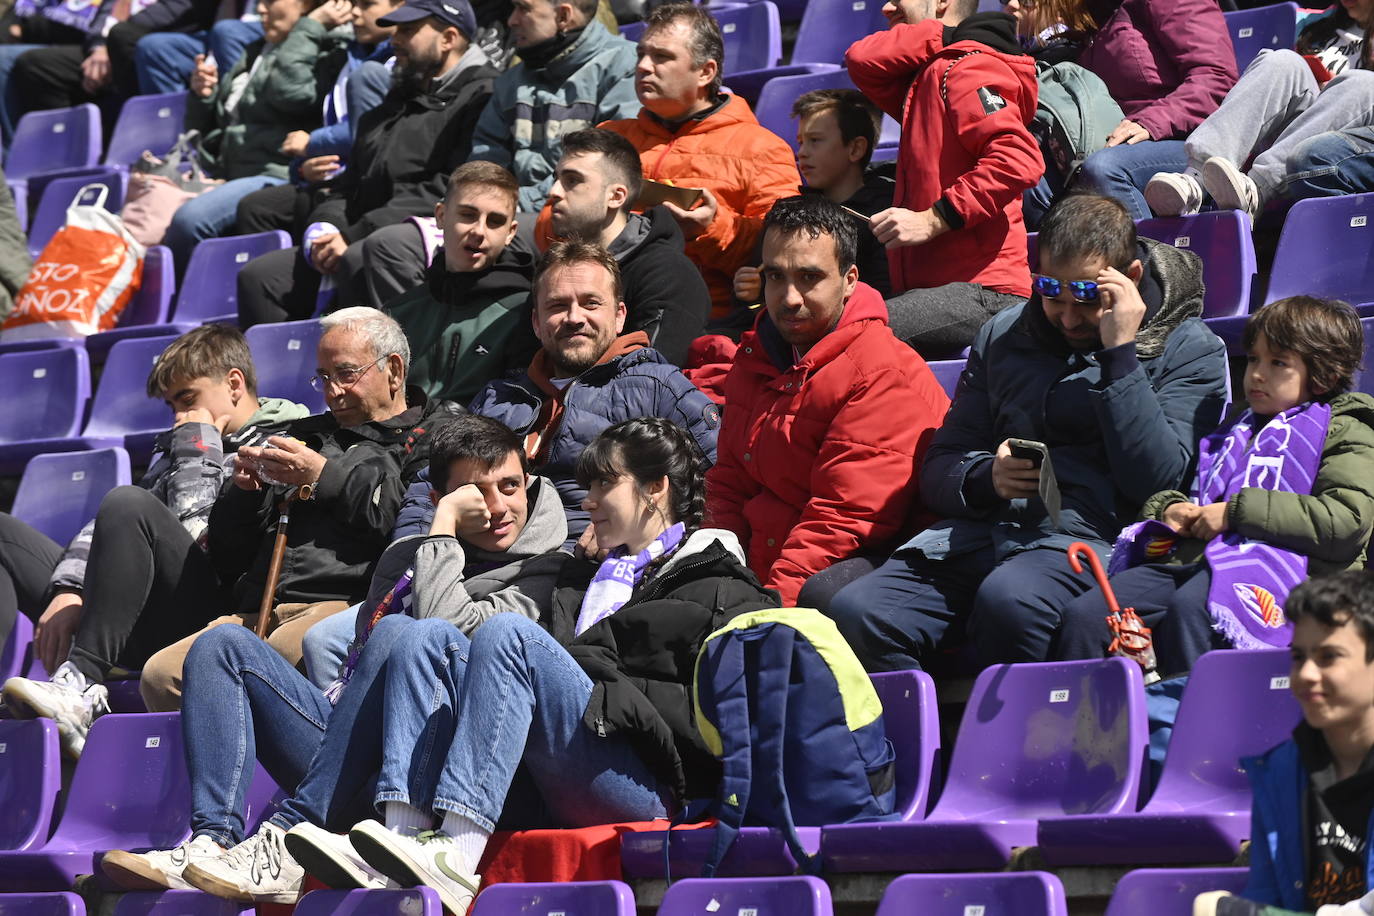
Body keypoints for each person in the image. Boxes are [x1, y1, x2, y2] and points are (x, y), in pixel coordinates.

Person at [280, 417, 779, 914]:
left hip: (650, 785)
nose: (588, 501)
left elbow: (703, 719)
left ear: (656, 487)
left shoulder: (717, 584)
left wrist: (596, 681)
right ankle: (403, 836)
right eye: (588, 485)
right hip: (563, 765)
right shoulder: (590, 575)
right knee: (416, 633)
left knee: (508, 634)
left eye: (606, 483)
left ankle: (455, 852)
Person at [99, 413, 569, 901]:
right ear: (438, 499)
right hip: (362, 755)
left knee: (401, 631)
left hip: (446, 779)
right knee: (223, 648)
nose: (498, 507)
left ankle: (288, 837)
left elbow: (444, 630)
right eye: (477, 494)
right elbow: (360, 669)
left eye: (511, 486)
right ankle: (212, 841)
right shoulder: (406, 556)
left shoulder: (550, 568)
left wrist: (445, 530)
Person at [825, 193, 1229, 671]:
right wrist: (984, 478)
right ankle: (935, 738)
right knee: (856, 611)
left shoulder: (1189, 349)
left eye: (1085, 296)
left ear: (1130, 280)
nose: (1068, 316)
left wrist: (1120, 356)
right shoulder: (1004, 334)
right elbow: (941, 463)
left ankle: (1032, 736)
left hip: (1094, 537)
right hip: (987, 531)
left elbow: (1159, 483)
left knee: (1011, 599)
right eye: (1049, 291)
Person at [298, 238, 721, 684]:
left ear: (619, 314)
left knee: (422, 643)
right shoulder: (502, 397)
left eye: (590, 303)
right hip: (476, 564)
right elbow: (429, 483)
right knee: (327, 642)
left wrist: (631, 534)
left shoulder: (659, 387)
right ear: (536, 322)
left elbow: (716, 483)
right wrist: (420, 554)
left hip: (574, 575)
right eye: (557, 306)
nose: (574, 317)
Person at [1055, 297, 1374, 675]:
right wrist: (1169, 509)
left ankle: (1194, 728)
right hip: (1198, 558)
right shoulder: (1238, 426)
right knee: (1087, 615)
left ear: (1324, 375)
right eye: (1253, 359)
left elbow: (1346, 522)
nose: (1256, 374)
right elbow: (1195, 489)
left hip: (1298, 571)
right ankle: (1087, 728)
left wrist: (1235, 513)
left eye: (1278, 363)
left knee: (1196, 607)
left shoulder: (1347, 429)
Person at [0, 325, 308, 689]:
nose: (179, 415)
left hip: (210, 619)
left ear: (234, 384)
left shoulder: (280, 446)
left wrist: (197, 447)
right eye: (172, 405)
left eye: (188, 398)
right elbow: (103, 526)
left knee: (127, 502)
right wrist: (69, 589)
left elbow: (204, 542)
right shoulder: (179, 445)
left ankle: (81, 682)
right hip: (133, 612)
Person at [706, 195, 949, 607]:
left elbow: (843, 520)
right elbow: (730, 484)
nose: (789, 297)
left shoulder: (879, 373)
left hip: (860, 572)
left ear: (850, 279)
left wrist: (767, 609)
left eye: (809, 277)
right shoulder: (757, 357)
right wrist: (709, 569)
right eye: (776, 277)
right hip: (768, 565)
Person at [234, 0, 501, 324]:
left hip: (416, 238)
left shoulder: (482, 97)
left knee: (362, 256)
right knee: (260, 277)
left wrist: (356, 233)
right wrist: (329, 227)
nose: (394, 40)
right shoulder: (399, 96)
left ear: (448, 38)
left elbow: (451, 188)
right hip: (362, 231)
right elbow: (352, 183)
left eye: (408, 30)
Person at [846, 0, 1041, 357]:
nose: (887, 8)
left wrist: (935, 218)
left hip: (987, 292)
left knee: (849, 334)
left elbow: (1018, 159)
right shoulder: (928, 73)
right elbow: (861, 60)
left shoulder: (967, 67)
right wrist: (946, 34)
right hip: (937, 295)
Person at [593, 2, 800, 319]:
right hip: (598, 313)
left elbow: (784, 254)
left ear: (706, 71)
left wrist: (711, 229)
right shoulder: (609, 138)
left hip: (704, 321)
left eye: (662, 57)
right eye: (641, 55)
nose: (644, 66)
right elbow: (550, 221)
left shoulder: (761, 149)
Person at [1190, 571, 1374, 916]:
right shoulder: (1279, 770)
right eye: (1298, 657)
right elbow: (1267, 894)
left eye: (1329, 656)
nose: (1305, 674)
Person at [158, 0, 353, 271]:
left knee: (189, 221)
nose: (261, 9)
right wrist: (204, 97)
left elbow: (292, 94)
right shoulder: (257, 48)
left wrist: (311, 27)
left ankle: (179, 305)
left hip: (275, 172)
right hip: (229, 170)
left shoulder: (328, 52)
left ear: (309, 6)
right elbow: (214, 127)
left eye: (271, 1)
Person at [1144, 2, 1374, 221]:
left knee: (1361, 83)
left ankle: (1255, 190)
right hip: (1295, 122)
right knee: (1283, 61)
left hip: (1345, 137)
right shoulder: (1316, 25)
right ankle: (1194, 179)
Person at [1036, 0, 1238, 221]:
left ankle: (1153, 256)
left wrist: (1150, 122)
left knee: (1105, 168)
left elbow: (1217, 79)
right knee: (1032, 177)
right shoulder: (1093, 24)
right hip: (1124, 144)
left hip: (1192, 143)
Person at [544, 127, 710, 366]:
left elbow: (651, 380)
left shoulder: (668, 274)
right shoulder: (555, 268)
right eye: (556, 179)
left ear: (616, 196)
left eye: (572, 181)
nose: (554, 192)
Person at [384, 162, 534, 404]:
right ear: (441, 216)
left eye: (495, 221)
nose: (479, 231)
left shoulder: (524, 314)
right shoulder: (397, 312)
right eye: (468, 215)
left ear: (511, 232)